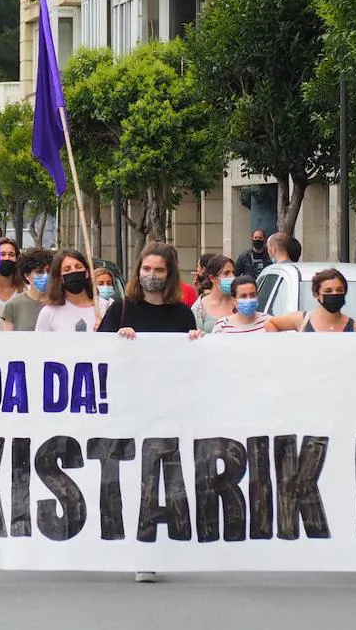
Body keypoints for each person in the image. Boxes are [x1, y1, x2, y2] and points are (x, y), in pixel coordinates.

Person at [97, 241, 197, 585]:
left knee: (157, 479)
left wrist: (197, 340)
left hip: (167, 408)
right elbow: (96, 354)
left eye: (158, 270)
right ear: (137, 271)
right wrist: (117, 339)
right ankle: (134, 547)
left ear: (169, 275)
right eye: (146, 269)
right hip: (128, 407)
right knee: (130, 478)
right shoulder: (121, 310)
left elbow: (192, 362)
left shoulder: (182, 314)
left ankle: (150, 548)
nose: (151, 276)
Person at [266, 268, 356, 332]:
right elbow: (271, 323)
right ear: (316, 294)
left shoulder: (355, 328)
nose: (335, 294)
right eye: (328, 291)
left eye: (339, 290)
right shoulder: (301, 319)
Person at [35, 249, 100, 332]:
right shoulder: (49, 313)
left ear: (87, 272)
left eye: (78, 267)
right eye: (67, 269)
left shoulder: (105, 307)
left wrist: (105, 329)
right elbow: (40, 343)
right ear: (60, 278)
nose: (74, 271)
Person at [2, 248, 53, 331]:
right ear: (26, 275)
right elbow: (8, 340)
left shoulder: (59, 302)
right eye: (39, 272)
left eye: (48, 271)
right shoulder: (13, 305)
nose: (45, 275)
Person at [191, 255, 236, 333]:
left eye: (233, 273)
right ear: (212, 278)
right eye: (226, 273)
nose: (232, 277)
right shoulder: (199, 308)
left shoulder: (240, 303)